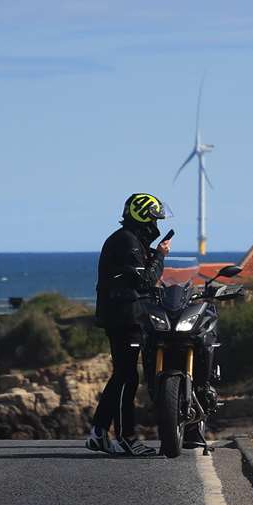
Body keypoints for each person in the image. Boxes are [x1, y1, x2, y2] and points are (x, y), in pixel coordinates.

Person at [86, 193, 171, 457]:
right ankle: (126, 437)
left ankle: (99, 432)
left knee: (122, 375)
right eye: (154, 218)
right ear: (142, 217)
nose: (156, 225)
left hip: (126, 315)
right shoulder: (126, 241)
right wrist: (159, 256)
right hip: (124, 317)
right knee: (127, 376)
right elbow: (144, 281)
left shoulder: (130, 240)